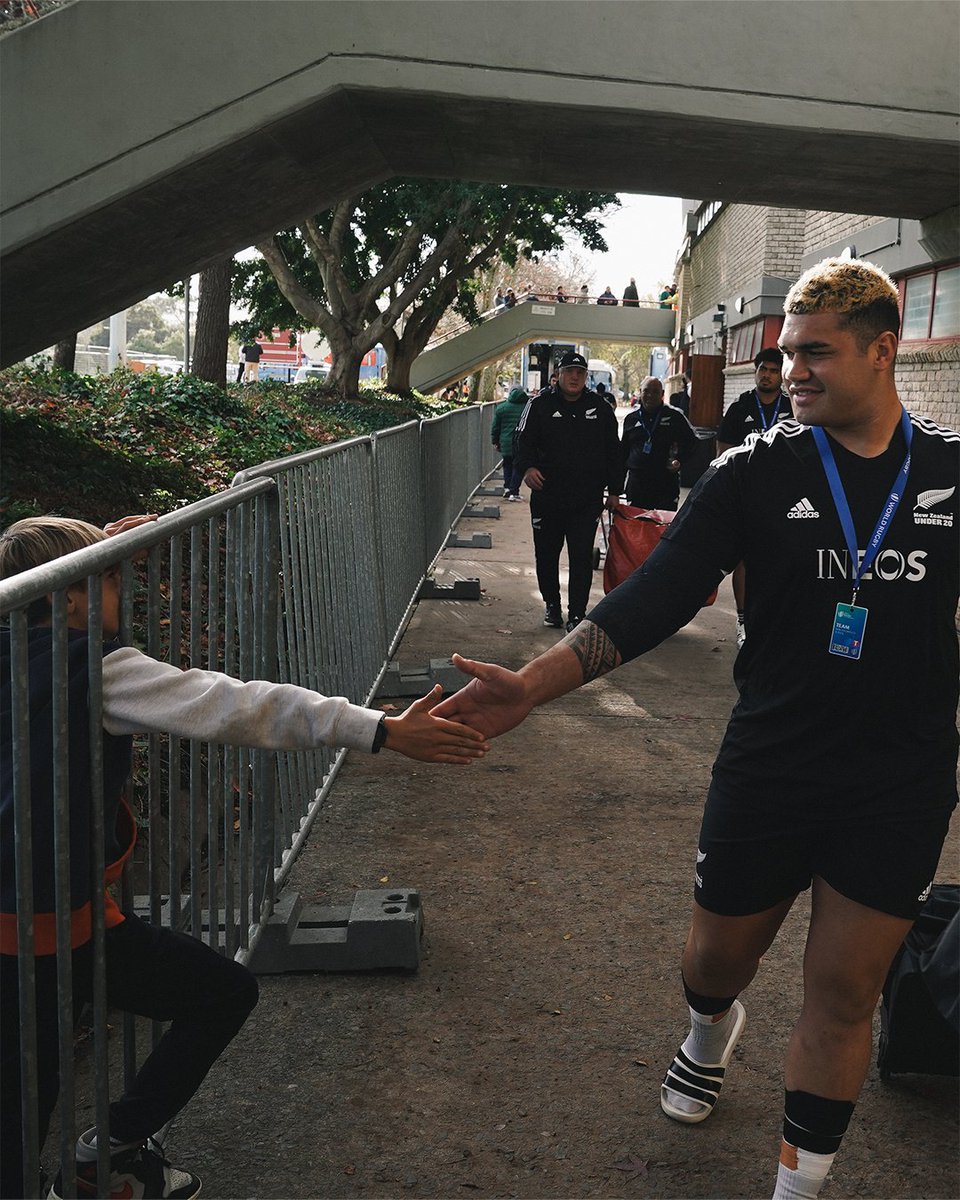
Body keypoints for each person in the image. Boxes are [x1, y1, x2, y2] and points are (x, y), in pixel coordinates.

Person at [434, 257, 959, 1200]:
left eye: (815, 353)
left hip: (902, 779)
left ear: (884, 352)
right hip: (772, 764)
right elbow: (654, 601)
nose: (792, 370)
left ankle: (798, 1190)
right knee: (716, 961)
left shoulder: (953, 471)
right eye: (784, 352)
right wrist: (531, 687)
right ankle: (709, 1030)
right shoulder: (753, 472)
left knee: (846, 997)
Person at [0, 516, 489, 1200]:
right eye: (113, 578)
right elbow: (238, 705)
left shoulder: (16, 646)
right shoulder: (95, 671)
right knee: (205, 1000)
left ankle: (99, 1162)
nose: (127, 594)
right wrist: (377, 729)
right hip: (49, 934)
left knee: (32, 1096)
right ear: (73, 599)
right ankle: (102, 1154)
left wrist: (109, 541)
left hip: (57, 922)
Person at [514, 351, 623, 633]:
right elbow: (521, 441)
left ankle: (577, 613)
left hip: (585, 500)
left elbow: (614, 451)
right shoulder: (538, 405)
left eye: (580, 372)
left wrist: (615, 491)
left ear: (586, 377)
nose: (575, 377)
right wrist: (527, 469)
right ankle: (552, 605)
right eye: (569, 371)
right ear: (558, 375)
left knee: (581, 557)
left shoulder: (599, 408)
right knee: (547, 555)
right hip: (547, 498)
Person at [717, 347, 793, 645]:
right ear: (756, 371)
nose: (768, 375)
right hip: (747, 495)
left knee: (781, 557)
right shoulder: (741, 406)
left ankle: (773, 619)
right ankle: (743, 619)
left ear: (780, 374)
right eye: (763, 369)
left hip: (786, 496)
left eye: (774, 370)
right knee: (746, 559)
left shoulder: (793, 406)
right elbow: (723, 449)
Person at [621, 375, 699, 510]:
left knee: (662, 530)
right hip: (637, 485)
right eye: (646, 391)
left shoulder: (675, 417)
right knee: (635, 528)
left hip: (665, 486)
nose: (650, 395)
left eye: (655, 392)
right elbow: (622, 453)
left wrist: (679, 460)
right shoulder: (631, 419)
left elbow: (693, 442)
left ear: (662, 394)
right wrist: (616, 488)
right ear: (640, 392)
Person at [491, 386, 529, 501]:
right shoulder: (527, 408)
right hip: (521, 443)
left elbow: (495, 427)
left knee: (507, 465)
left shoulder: (502, 408)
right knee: (519, 467)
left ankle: (507, 487)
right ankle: (514, 491)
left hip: (505, 442)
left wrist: (495, 441)